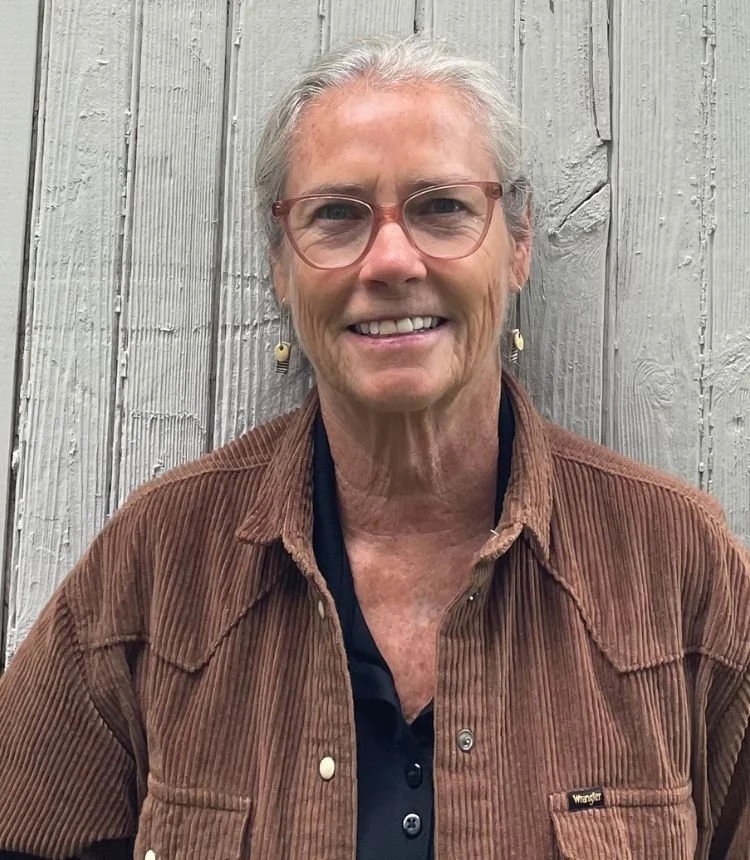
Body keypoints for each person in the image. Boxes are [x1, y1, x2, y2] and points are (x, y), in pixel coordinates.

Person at [0, 34, 748, 860]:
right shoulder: (161, 564)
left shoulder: (677, 566)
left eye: (443, 207)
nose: (392, 259)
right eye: (336, 215)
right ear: (282, 263)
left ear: (521, 242)